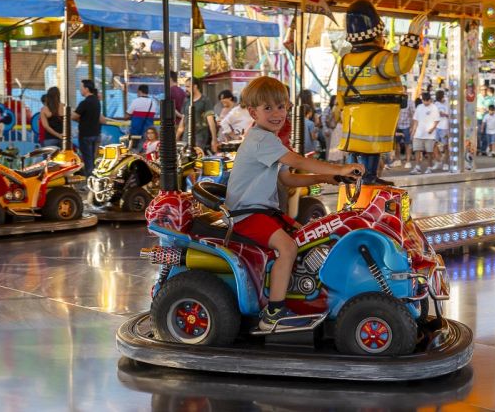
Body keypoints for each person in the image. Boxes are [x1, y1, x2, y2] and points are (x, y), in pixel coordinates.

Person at [225, 76, 363, 330]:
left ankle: (297, 294)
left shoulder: (269, 140)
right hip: (247, 215)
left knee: (305, 238)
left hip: (263, 212)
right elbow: (298, 162)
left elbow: (287, 179)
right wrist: (340, 167)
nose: (277, 113)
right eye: (268, 108)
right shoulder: (260, 140)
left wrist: (327, 177)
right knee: (288, 248)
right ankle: (273, 314)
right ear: (253, 112)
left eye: (281, 106)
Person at [335, 0, 426, 184]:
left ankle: (352, 176)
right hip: (374, 117)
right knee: (371, 148)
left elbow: (341, 92)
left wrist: (341, 111)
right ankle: (368, 177)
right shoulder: (380, 59)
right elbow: (402, 64)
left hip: (352, 118)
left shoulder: (345, 60)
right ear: (377, 35)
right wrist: (412, 38)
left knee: (356, 148)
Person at [73, 79, 108, 176]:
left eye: (81, 88)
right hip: (96, 134)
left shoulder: (85, 103)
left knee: (88, 160)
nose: (80, 90)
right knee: (93, 159)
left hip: (86, 135)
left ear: (86, 89)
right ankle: (95, 177)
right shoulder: (97, 102)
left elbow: (74, 116)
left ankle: (90, 182)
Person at [176, 79, 218, 153]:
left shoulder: (205, 101)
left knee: (197, 158)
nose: (186, 89)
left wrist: (214, 140)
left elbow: (211, 121)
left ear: (195, 86)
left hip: (200, 136)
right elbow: (182, 122)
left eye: (188, 86)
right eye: (185, 87)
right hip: (186, 137)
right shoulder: (186, 101)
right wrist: (176, 138)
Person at [410, 92, 440, 174]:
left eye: (427, 100)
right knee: (417, 150)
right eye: (424, 100)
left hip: (429, 135)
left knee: (429, 152)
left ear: (430, 100)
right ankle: (417, 167)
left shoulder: (434, 107)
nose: (426, 102)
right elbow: (416, 120)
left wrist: (432, 129)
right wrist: (413, 131)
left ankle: (429, 167)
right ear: (422, 100)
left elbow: (436, 120)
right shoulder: (419, 107)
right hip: (418, 133)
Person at [390, 97, 414, 169]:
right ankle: (398, 160)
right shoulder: (395, 101)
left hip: (407, 126)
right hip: (397, 126)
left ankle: (408, 161)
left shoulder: (410, 102)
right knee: (396, 144)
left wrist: (412, 127)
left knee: (407, 144)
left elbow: (413, 114)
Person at [432, 89, 449, 171]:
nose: (443, 98)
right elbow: (436, 114)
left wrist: (445, 114)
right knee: (433, 144)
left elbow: (449, 114)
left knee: (446, 146)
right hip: (436, 127)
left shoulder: (448, 103)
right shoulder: (436, 104)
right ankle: (438, 161)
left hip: (445, 127)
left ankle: (445, 163)